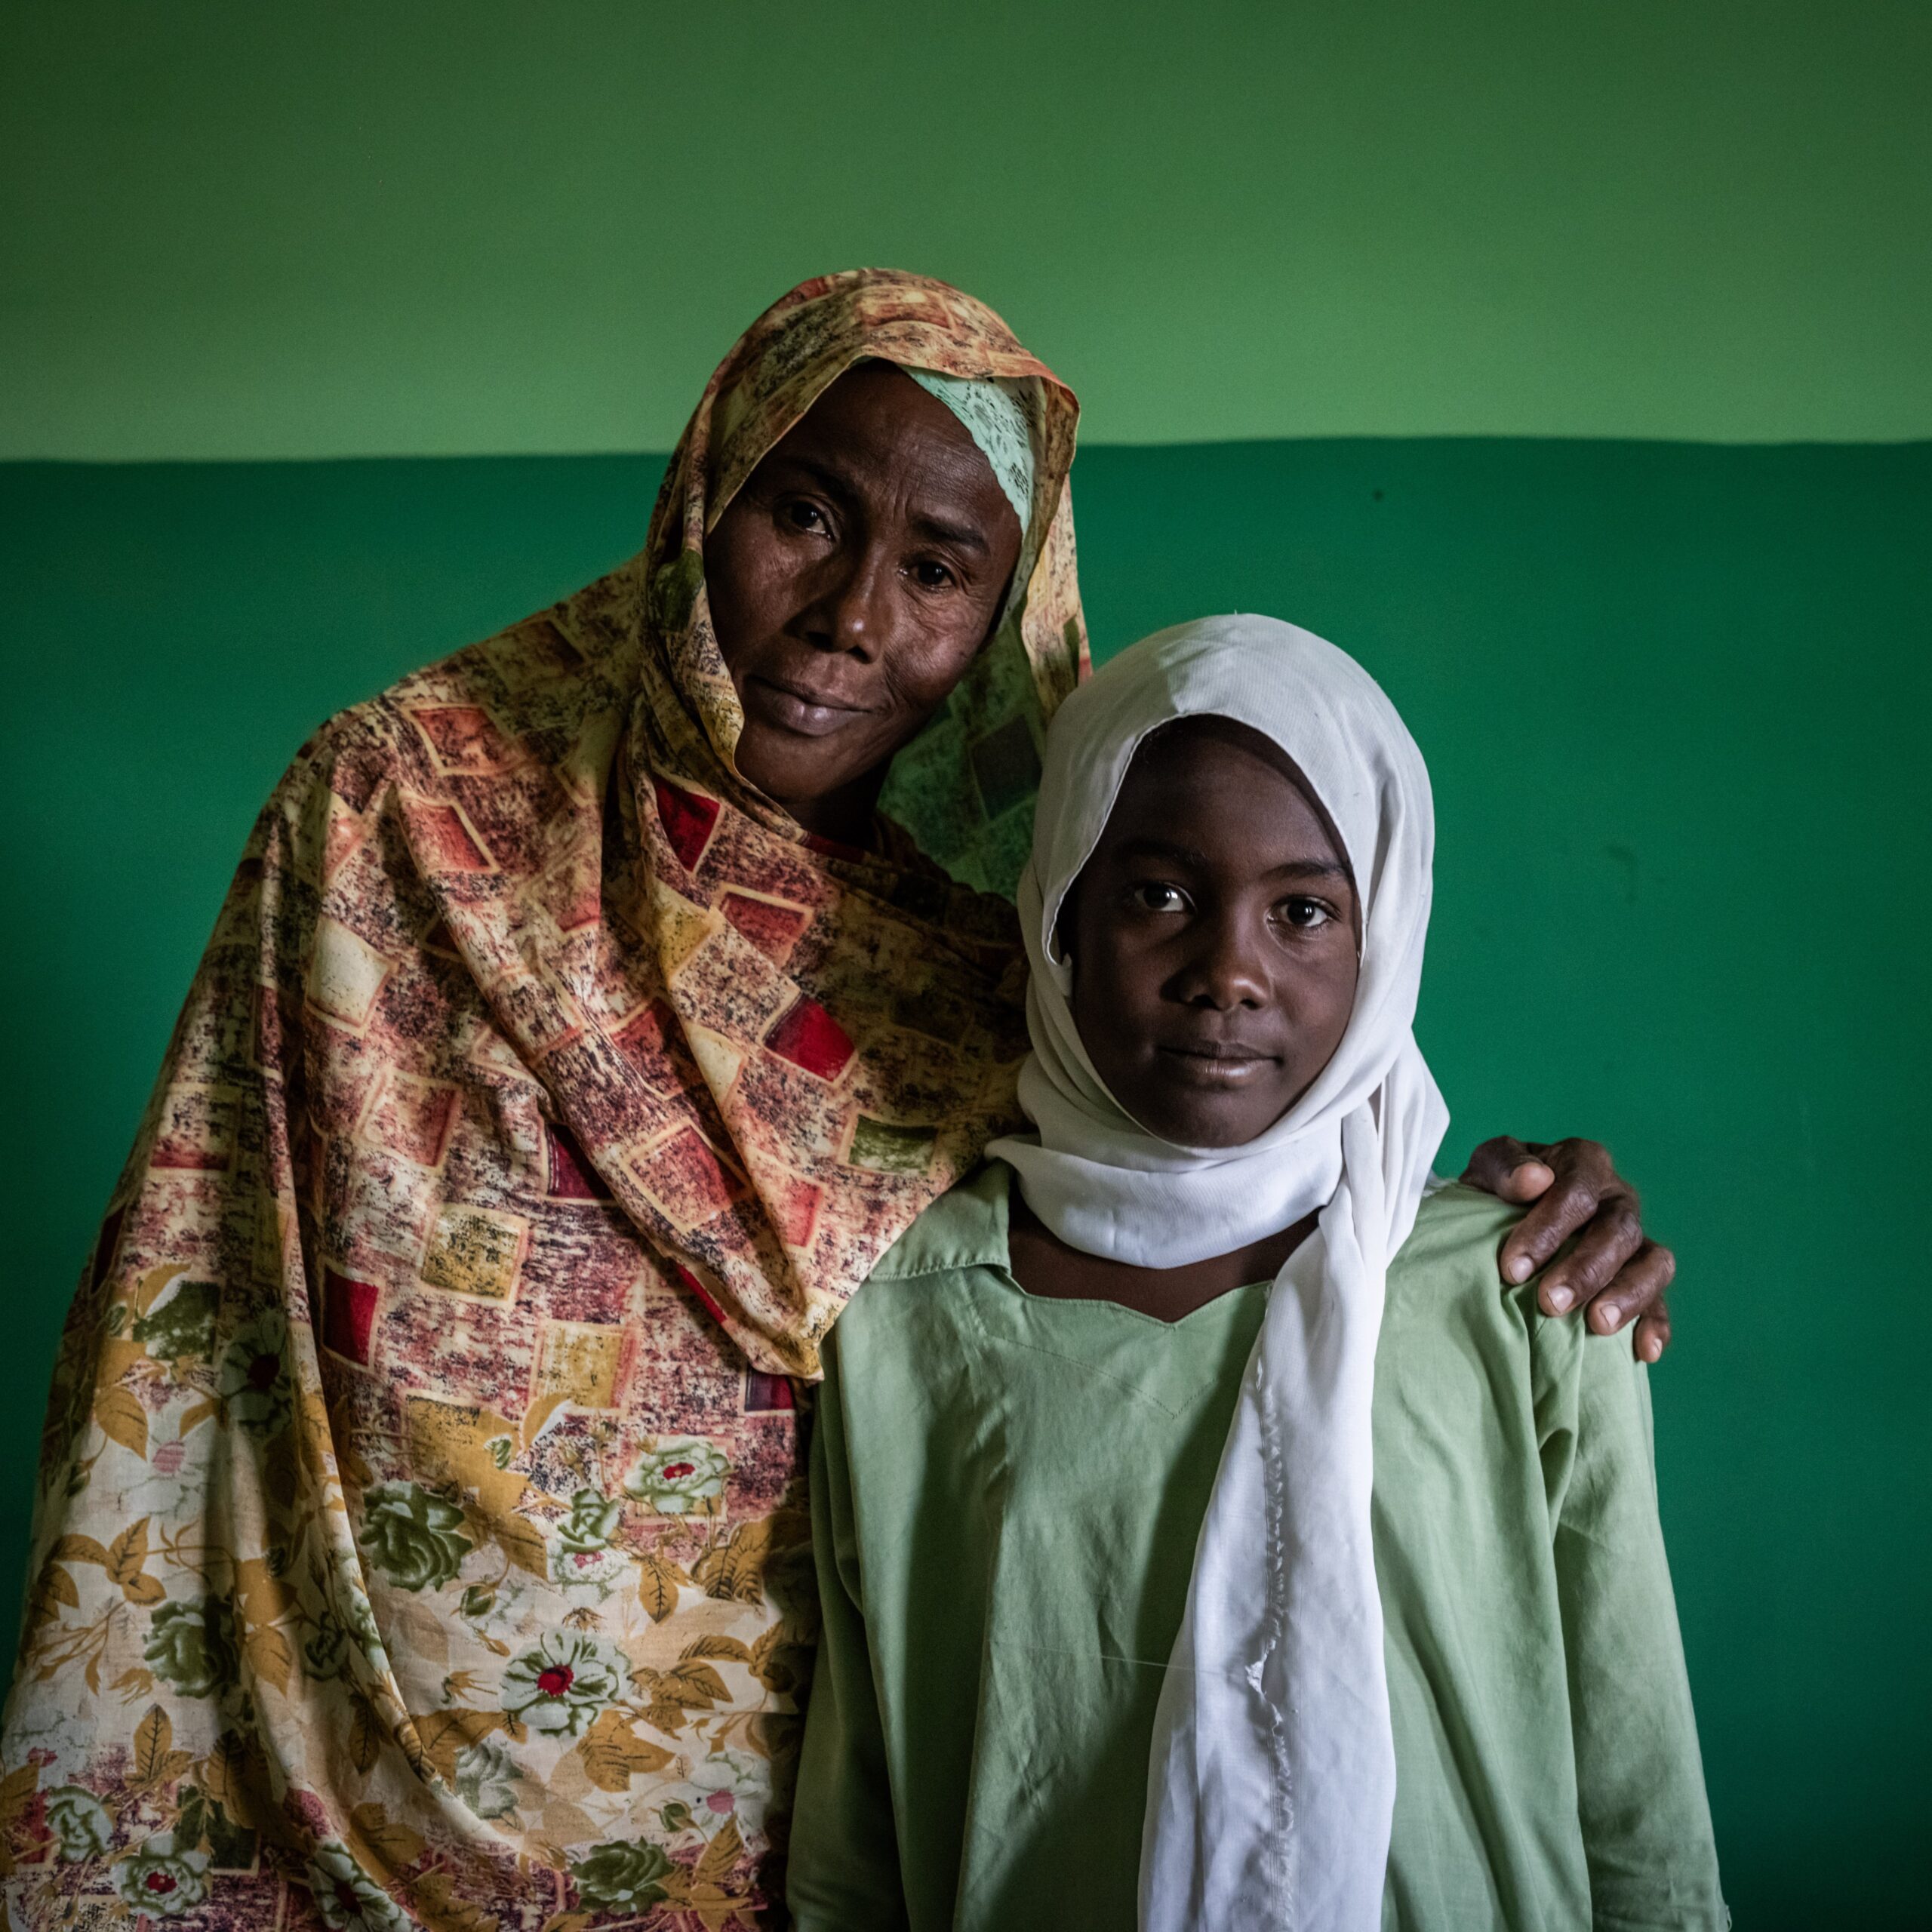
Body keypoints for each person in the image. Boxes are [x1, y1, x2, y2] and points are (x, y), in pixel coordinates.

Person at [2, 275, 1675, 1929]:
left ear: (1007, 611)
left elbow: (1211, 1149)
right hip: (367, 1750)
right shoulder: (398, 810)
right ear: (700, 495)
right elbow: (203, 1281)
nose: (852, 617)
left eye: (939, 571)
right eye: (801, 513)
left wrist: (1490, 1211)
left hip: (805, 1814)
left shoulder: (997, 912)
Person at [788, 615, 1727, 1931]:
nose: (1227, 971)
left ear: (1382, 937)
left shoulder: (1522, 1289)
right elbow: (858, 1848)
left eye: (1302, 911)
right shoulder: (904, 1318)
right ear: (1060, 908)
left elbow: (1642, 1806)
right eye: (1156, 893)